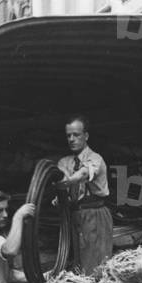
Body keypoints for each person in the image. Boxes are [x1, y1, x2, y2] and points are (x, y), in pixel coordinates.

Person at [57, 115, 112, 274]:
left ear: (86, 136)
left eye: (76, 135)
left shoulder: (95, 159)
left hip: (95, 214)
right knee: (78, 264)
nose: (71, 139)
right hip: (75, 214)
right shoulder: (64, 162)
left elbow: (83, 174)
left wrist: (66, 182)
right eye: (68, 135)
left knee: (96, 267)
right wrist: (60, 196)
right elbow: (62, 181)